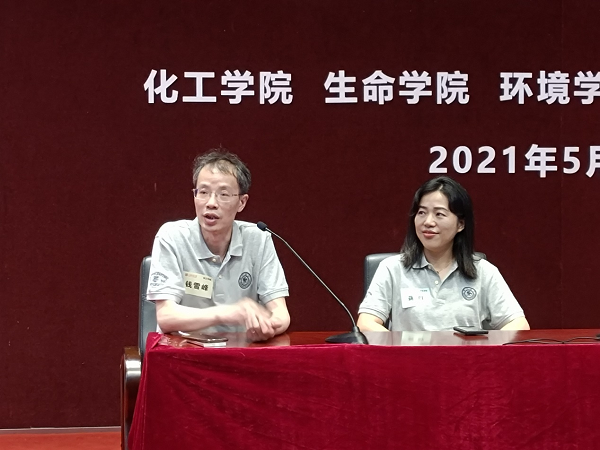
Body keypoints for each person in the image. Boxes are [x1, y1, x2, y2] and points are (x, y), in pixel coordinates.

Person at [146, 149, 290, 341]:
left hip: (241, 352)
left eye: (223, 194)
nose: (211, 203)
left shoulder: (258, 240)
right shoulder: (172, 237)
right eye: (203, 192)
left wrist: (267, 326)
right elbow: (166, 316)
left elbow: (281, 314)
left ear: (242, 202)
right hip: (185, 351)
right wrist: (227, 313)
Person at [357, 176, 529, 332]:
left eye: (439, 214)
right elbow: (366, 323)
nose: (428, 222)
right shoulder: (392, 268)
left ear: (460, 224)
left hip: (466, 357)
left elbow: (519, 325)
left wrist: (484, 348)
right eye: (422, 212)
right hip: (410, 355)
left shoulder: (483, 271)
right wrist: (400, 347)